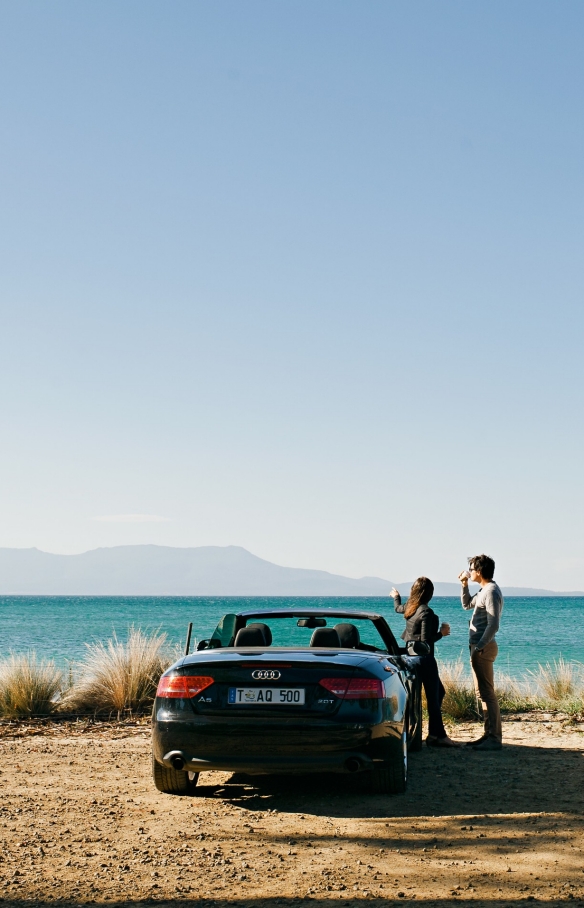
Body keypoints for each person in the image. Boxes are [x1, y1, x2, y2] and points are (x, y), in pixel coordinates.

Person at [391, 577, 459, 748]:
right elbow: (425, 641)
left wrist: (396, 596)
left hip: (408, 659)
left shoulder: (409, 608)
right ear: (429, 594)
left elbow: (398, 608)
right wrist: (441, 633)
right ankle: (437, 736)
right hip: (424, 660)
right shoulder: (426, 612)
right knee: (434, 697)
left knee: (420, 697)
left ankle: (423, 735)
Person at [458, 554, 504, 751]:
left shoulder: (491, 592)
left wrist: (480, 647)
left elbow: (493, 625)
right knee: (482, 693)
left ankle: (494, 738)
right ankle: (488, 734)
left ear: (480, 571)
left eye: (471, 568)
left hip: (483, 648)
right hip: (478, 647)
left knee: (487, 693)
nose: (469, 571)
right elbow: (467, 604)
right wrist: (464, 585)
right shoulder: (483, 590)